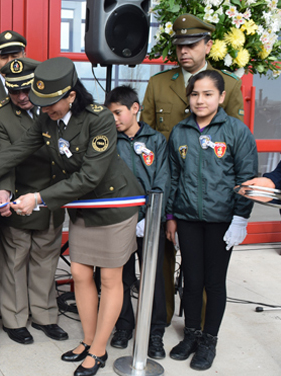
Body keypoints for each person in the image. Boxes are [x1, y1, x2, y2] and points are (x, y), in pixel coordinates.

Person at [0, 57, 143, 376]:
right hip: (83, 206)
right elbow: (18, 150)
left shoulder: (98, 119)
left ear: (71, 95)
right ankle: (87, 340)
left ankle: (98, 351)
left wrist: (39, 198)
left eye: (50, 103)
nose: (43, 109)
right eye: (40, 102)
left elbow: (89, 177)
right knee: (80, 274)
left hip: (113, 205)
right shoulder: (47, 118)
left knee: (111, 280)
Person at [141, 13, 245, 323]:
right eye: (179, 46)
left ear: (208, 45)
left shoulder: (228, 84)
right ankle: (159, 321)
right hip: (164, 184)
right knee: (160, 256)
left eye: (192, 44)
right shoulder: (159, 83)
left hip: (208, 191)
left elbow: (234, 144)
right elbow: (145, 135)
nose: (184, 51)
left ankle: (198, 327)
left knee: (202, 264)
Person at [165, 70, 257, 371]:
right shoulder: (180, 132)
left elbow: (246, 179)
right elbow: (174, 178)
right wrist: (171, 216)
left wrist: (240, 218)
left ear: (220, 97)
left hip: (222, 221)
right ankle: (191, 335)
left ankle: (209, 341)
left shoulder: (236, 131)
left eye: (207, 94)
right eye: (194, 94)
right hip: (188, 218)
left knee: (213, 283)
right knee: (191, 279)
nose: (200, 100)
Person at [0, 58, 68, 345]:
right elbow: (4, 159)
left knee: (46, 261)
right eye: (14, 92)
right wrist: (5, 192)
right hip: (20, 198)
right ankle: (15, 319)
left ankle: (45, 315)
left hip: (52, 197)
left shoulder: (54, 106)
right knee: (14, 263)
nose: (21, 97)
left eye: (26, 90)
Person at [105, 85, 169, 359]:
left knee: (152, 278)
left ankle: (154, 332)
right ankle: (124, 325)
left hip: (149, 221)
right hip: (119, 221)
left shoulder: (156, 141)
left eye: (118, 113)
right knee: (121, 276)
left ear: (134, 108)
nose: (115, 120)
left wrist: (148, 216)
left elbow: (163, 180)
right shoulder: (110, 141)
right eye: (111, 115)